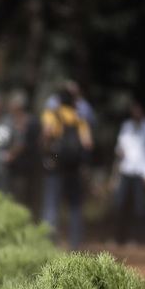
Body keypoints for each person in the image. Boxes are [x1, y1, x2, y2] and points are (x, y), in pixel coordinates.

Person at [40, 85, 93, 249]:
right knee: (75, 206)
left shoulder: (51, 114)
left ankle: (49, 242)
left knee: (51, 203)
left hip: (56, 166)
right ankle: (75, 243)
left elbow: (47, 133)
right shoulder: (79, 117)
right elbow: (87, 143)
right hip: (74, 168)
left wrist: (47, 149)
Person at [111, 98, 145, 245]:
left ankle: (139, 239)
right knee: (119, 204)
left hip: (142, 174)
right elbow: (119, 148)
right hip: (126, 171)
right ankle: (118, 237)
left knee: (140, 207)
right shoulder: (126, 126)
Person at [7, 89, 41, 211]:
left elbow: (32, 145)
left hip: (25, 168)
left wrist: (16, 151)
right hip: (12, 168)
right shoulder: (10, 121)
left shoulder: (31, 122)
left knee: (22, 199)